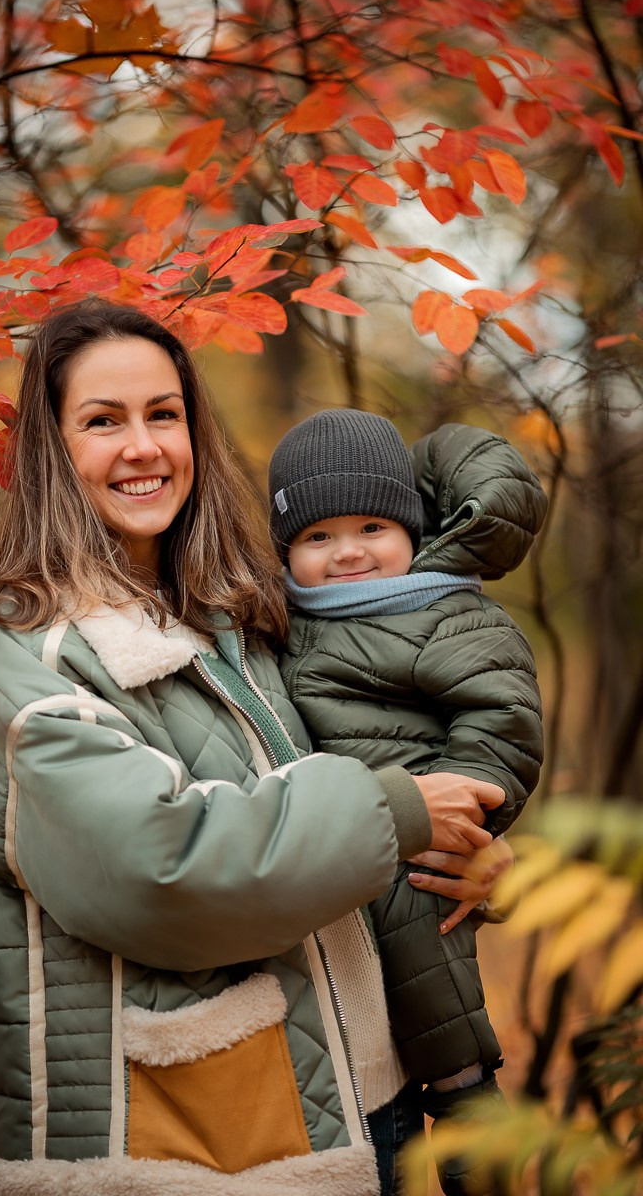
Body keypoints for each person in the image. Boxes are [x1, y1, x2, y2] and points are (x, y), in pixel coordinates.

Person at [0, 298, 507, 1196]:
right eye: (102, 421)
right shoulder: (33, 658)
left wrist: (466, 850)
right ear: (52, 452)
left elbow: (377, 758)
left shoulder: (230, 617)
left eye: (164, 414)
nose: (143, 446)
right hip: (197, 1150)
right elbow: (160, 873)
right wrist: (396, 812)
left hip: (368, 1102)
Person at [269, 408, 546, 1194]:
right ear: (286, 548)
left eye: (370, 528)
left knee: (425, 951)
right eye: (317, 538)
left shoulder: (439, 607)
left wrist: (475, 803)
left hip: (422, 833)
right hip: (335, 846)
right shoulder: (282, 623)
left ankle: (466, 1105)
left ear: (411, 530)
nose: (348, 552)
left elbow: (505, 712)